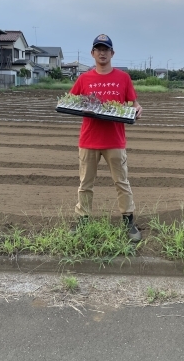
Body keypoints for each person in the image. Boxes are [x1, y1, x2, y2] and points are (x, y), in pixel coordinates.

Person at [69, 34, 143, 242]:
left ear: (112, 53)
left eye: (106, 49)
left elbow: (134, 103)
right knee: (85, 183)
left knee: (122, 182)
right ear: (92, 53)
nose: (102, 52)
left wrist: (137, 109)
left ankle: (128, 221)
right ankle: (83, 220)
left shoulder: (123, 78)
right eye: (98, 49)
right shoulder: (84, 79)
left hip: (115, 140)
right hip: (89, 140)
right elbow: (71, 101)